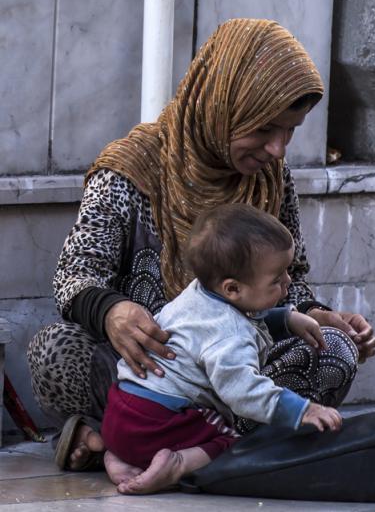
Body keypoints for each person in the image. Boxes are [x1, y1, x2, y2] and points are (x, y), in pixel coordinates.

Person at [26, 18, 375, 473]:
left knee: (333, 348)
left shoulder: (270, 179)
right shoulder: (129, 172)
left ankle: (119, 442)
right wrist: (112, 312)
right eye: (264, 130)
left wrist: (314, 315)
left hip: (237, 364)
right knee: (55, 351)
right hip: (149, 370)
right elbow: (75, 275)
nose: (278, 149)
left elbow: (285, 281)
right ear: (221, 106)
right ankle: (204, 444)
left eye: (290, 131)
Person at [101, 204, 343, 494]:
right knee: (233, 442)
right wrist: (302, 410)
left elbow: (248, 319)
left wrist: (286, 319)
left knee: (138, 437)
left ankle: (117, 455)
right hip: (158, 421)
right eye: (277, 279)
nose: (288, 282)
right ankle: (176, 464)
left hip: (119, 413)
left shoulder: (199, 294)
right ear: (232, 289)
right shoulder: (228, 334)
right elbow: (243, 392)